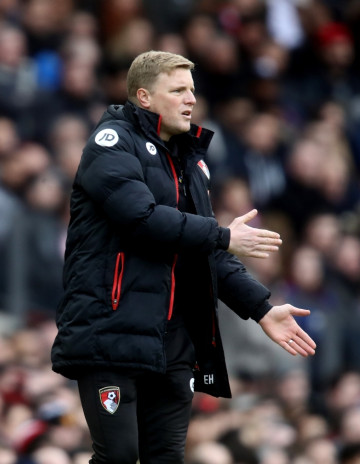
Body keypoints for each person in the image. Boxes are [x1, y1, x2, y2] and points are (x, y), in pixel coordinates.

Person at [50, 50, 316, 464]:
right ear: (144, 97)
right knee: (118, 457)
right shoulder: (111, 143)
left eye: (192, 90)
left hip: (174, 343)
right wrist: (224, 235)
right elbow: (143, 219)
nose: (190, 99)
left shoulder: (190, 164)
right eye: (177, 90)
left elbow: (206, 249)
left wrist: (262, 308)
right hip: (112, 334)